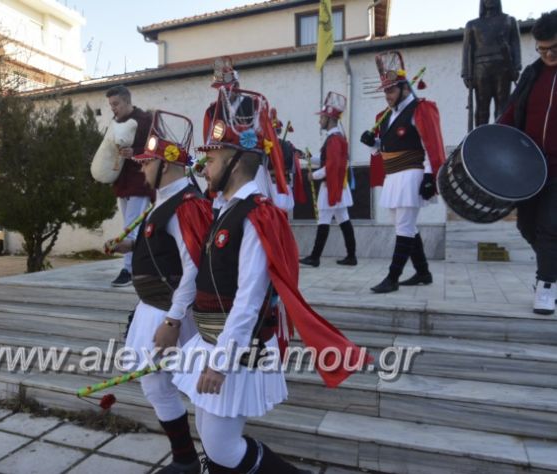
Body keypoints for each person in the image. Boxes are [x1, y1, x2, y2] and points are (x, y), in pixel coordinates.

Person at [172, 87, 367, 473]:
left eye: (211, 158)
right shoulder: (226, 209)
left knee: (222, 447)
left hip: (236, 350)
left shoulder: (255, 214)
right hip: (212, 341)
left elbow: (249, 298)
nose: (204, 167)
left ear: (236, 160)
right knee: (212, 441)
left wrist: (222, 362)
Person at [105, 111, 212, 474]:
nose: (141, 170)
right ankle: (185, 459)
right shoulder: (164, 201)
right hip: (153, 307)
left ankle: (220, 458)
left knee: (204, 392)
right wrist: (128, 247)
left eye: (147, 163)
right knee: (155, 384)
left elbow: (193, 267)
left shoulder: (185, 204)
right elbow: (159, 248)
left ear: (165, 166)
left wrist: (172, 319)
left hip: (173, 313)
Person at [361, 51, 446, 293]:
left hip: (412, 174)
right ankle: (423, 272)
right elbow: (384, 150)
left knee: (404, 227)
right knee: (405, 226)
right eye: (385, 91)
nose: (387, 96)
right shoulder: (387, 116)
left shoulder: (420, 109)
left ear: (404, 88)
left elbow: (430, 143)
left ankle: (393, 277)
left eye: (390, 91)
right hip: (394, 176)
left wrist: (430, 176)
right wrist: (372, 143)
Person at [498, 10, 557, 314]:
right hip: (530, 168)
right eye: (542, 48)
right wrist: (494, 135)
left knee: (549, 225)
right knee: (526, 224)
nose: (547, 54)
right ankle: (553, 269)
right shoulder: (532, 73)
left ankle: (546, 286)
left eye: (554, 48)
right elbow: (511, 111)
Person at [300, 92, 357, 268]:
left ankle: (315, 257)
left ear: (329, 119)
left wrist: (314, 175)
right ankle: (351, 256)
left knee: (324, 220)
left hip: (331, 185)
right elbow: (326, 160)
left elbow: (331, 166)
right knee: (343, 220)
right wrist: (306, 157)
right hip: (338, 185)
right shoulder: (336, 137)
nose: (320, 121)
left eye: (322, 118)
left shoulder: (334, 139)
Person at [106, 85, 154, 287]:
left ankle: (129, 269)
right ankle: (142, 265)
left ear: (127, 101)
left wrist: (134, 151)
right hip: (122, 181)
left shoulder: (145, 120)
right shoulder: (115, 123)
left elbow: (156, 148)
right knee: (133, 224)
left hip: (140, 181)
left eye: (116, 104)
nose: (113, 108)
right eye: (110, 105)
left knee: (131, 226)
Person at [462, 0, 522, 126]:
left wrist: (517, 66)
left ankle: (501, 134)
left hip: (504, 67)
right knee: (482, 107)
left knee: (503, 105)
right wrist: (466, 73)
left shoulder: (509, 20)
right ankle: (480, 137)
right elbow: (467, 50)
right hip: (480, 69)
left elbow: (515, 44)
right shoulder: (472, 25)